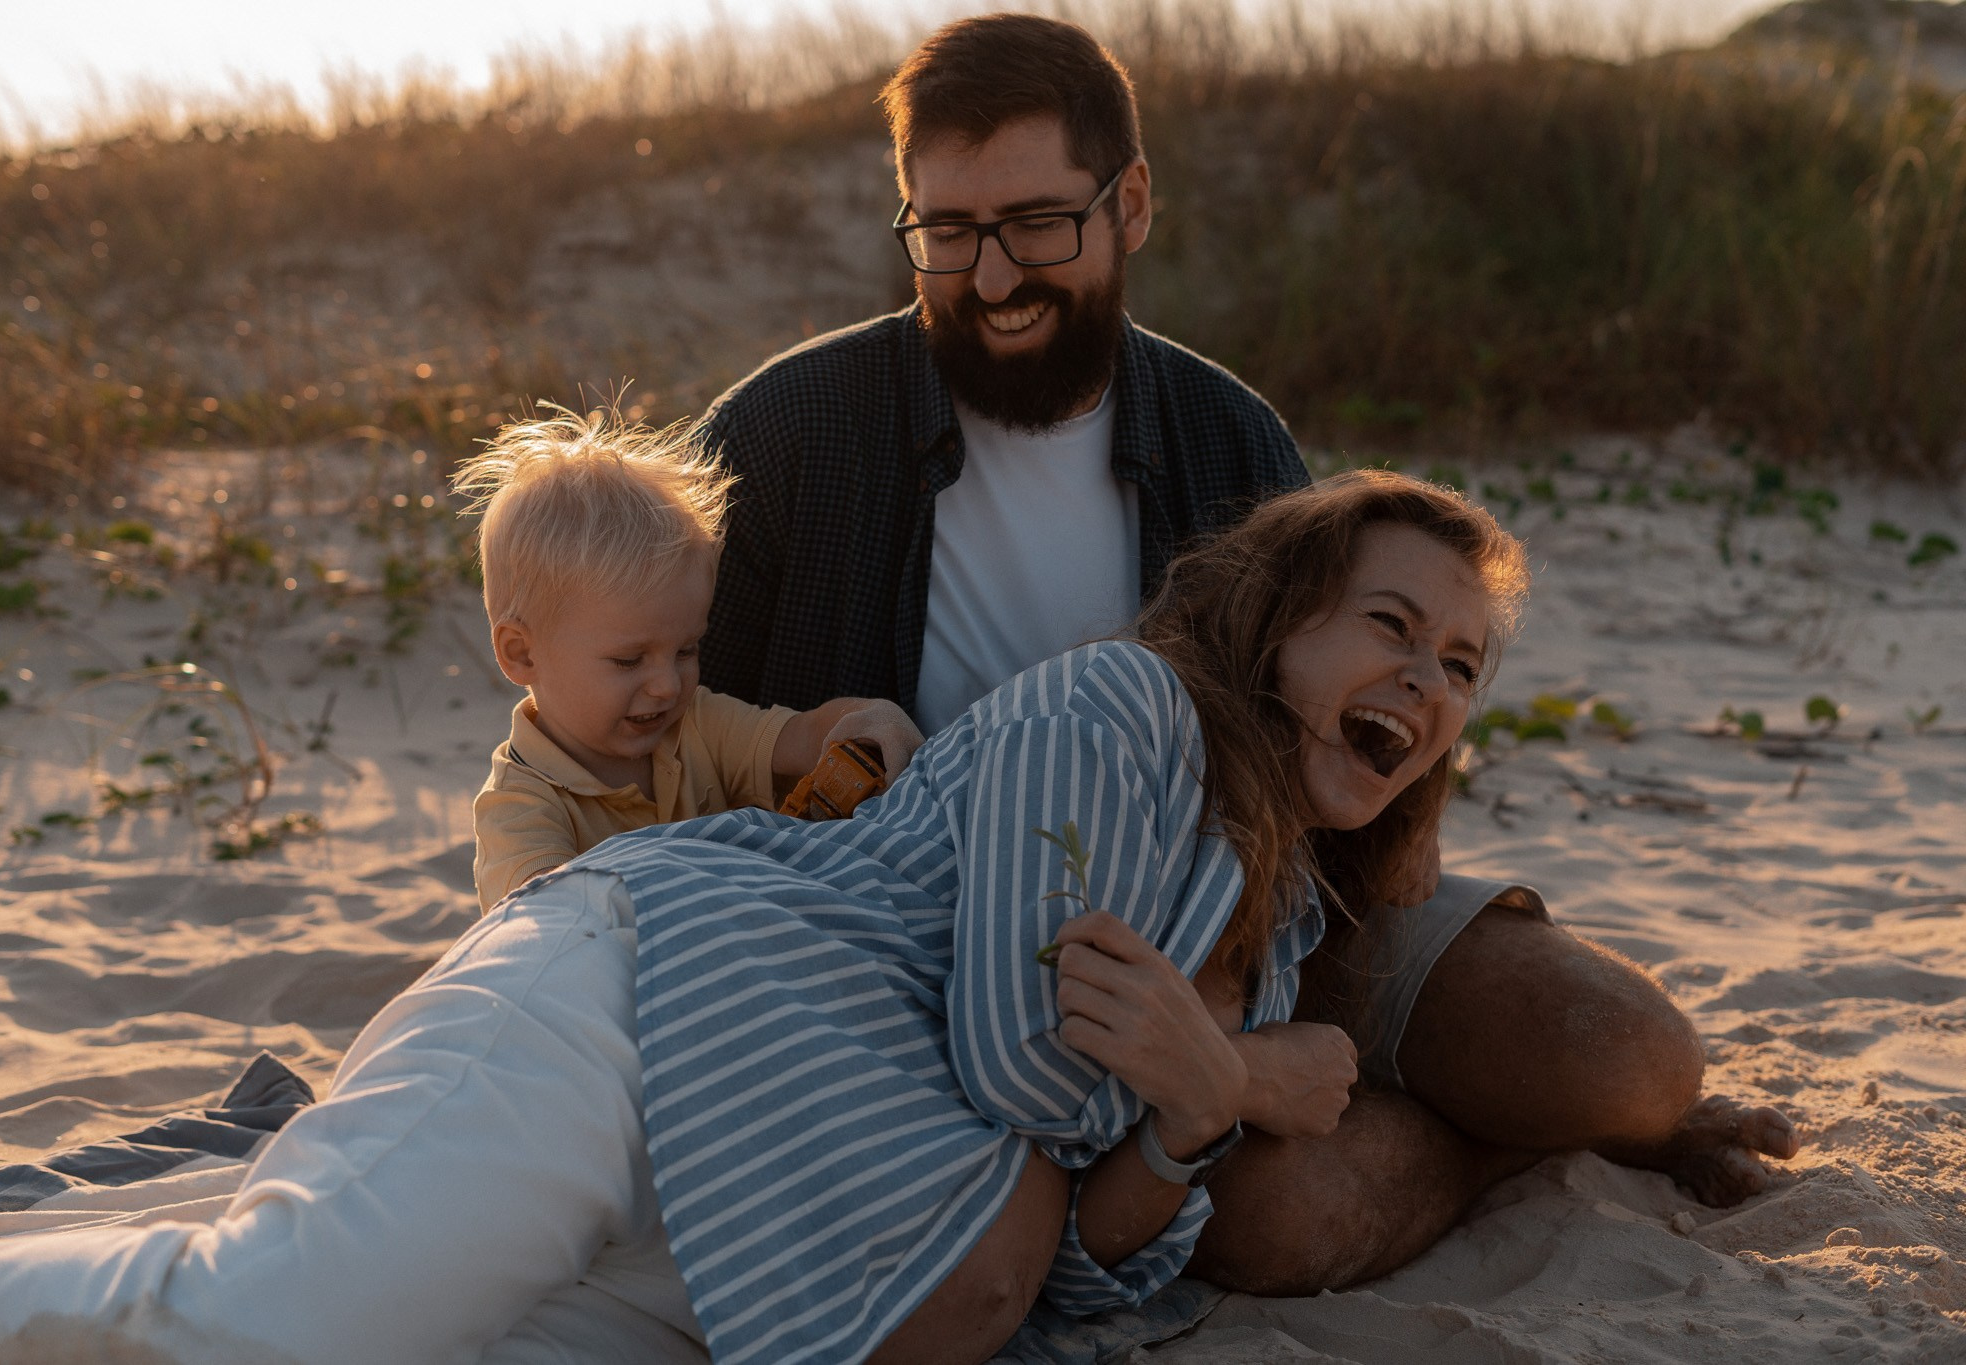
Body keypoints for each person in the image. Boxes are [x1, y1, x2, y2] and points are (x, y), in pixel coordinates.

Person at [0, 471, 1524, 1365]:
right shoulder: (1115, 712)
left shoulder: (1282, 928)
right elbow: (1019, 1064)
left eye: (1461, 666)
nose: (1423, 680)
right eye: (1390, 623)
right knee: (262, 1336)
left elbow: (1103, 1267)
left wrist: (1182, 1118)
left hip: (762, 1248)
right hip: (642, 1001)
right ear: (1278, 619)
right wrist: (1229, 1087)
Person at [690, 11, 1798, 1299]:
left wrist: (1283, 978)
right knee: (1265, 1221)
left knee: (1621, 1056)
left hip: (1265, 905)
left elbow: (1349, 719)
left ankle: (1504, 1108)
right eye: (946, 233)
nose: (991, 277)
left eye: (1038, 223)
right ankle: (1488, 1151)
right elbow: (654, 731)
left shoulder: (1227, 439)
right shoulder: (782, 440)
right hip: (966, 966)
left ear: (1132, 203)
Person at [453, 408, 922, 912]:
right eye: (629, 660)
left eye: (686, 649)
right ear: (522, 654)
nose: (667, 685)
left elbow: (806, 736)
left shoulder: (697, 726)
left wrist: (869, 720)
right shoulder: (519, 808)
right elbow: (552, 922)